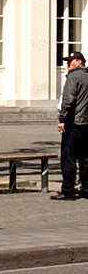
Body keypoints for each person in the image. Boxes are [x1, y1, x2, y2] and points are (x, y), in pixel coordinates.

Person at [61, 52, 88, 201]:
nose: (67, 64)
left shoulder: (74, 77)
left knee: (69, 157)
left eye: (70, 61)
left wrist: (62, 119)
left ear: (79, 62)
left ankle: (68, 190)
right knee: (85, 158)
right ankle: (86, 188)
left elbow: (68, 100)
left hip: (74, 122)